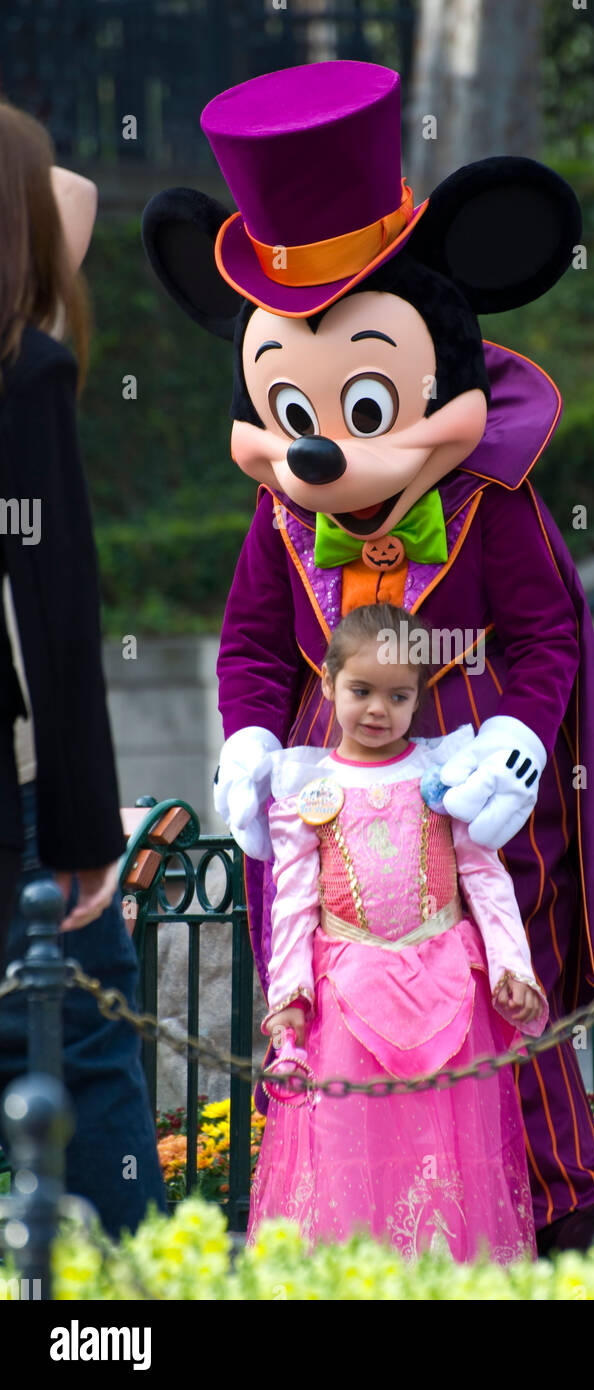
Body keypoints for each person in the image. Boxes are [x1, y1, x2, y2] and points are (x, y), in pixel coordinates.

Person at [248, 603, 549, 1262]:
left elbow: (486, 880)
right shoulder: (307, 788)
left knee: (445, 1150)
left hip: (445, 991)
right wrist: (287, 1000)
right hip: (343, 1003)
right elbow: (292, 905)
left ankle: (444, 1276)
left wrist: (510, 969)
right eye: (360, 690)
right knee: (344, 1148)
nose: (377, 708)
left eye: (397, 695)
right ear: (327, 684)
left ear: (420, 696)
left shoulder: (444, 778)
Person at [0, 100, 165, 1236]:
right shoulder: (25, 370)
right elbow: (55, 614)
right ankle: (122, 1314)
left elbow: (69, 203)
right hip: (18, 785)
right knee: (88, 1039)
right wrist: (82, 833)